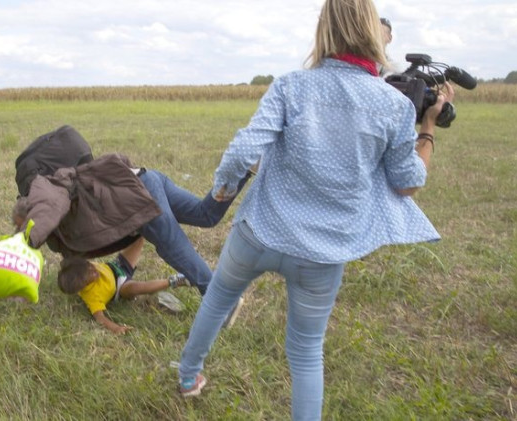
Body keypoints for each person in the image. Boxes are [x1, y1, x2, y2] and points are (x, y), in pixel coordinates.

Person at [177, 0, 454, 419]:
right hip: (322, 254)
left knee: (217, 299)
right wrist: (428, 128)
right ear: (372, 32)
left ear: (324, 30)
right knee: (306, 351)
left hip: (258, 231)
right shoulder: (396, 106)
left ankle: (187, 377)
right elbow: (408, 182)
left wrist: (222, 189)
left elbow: (243, 150)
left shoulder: (291, 86)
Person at [13, 153, 251, 297]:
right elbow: (72, 263)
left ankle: (219, 298)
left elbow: (46, 211)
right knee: (205, 215)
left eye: (21, 224)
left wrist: (23, 240)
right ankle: (243, 169)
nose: (21, 230)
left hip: (136, 196)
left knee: (171, 244)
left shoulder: (47, 197)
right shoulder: (62, 237)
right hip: (144, 179)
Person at [57, 236, 190, 334]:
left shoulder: (78, 267)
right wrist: (116, 328)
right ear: (83, 286)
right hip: (121, 287)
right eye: (90, 276)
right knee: (136, 288)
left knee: (139, 238)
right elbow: (100, 319)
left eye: (90, 266)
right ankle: (174, 281)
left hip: (117, 266)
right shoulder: (92, 296)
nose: (94, 271)